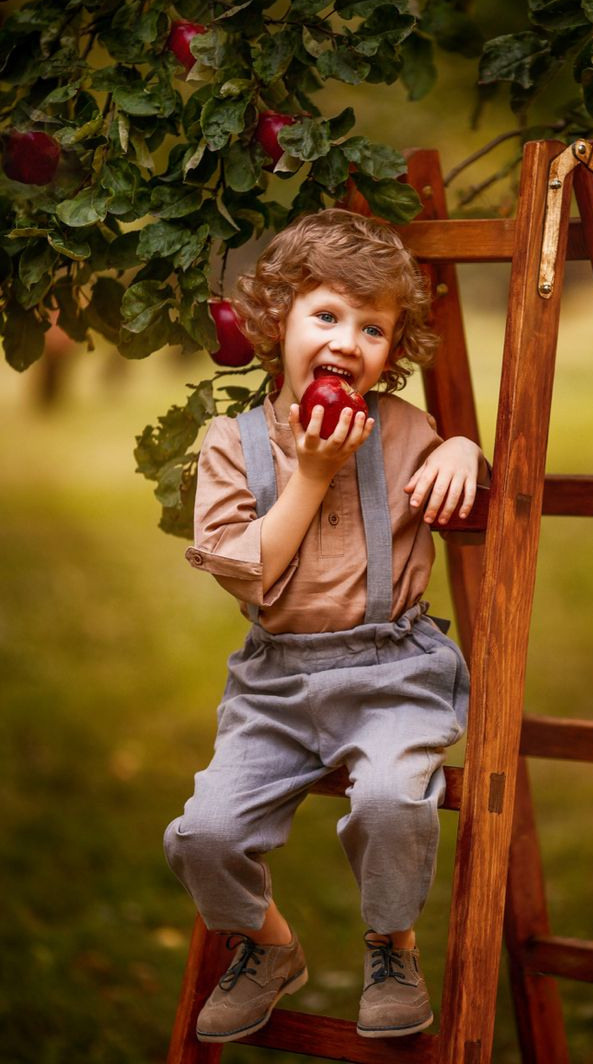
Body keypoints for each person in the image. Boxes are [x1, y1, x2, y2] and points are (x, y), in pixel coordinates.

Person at [164, 208, 489, 1044]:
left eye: (373, 327)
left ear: (393, 349)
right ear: (277, 323)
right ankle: (268, 946)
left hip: (393, 675)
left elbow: (467, 465)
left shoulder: (404, 429)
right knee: (203, 833)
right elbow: (254, 573)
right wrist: (309, 473)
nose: (348, 341)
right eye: (327, 315)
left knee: (389, 801)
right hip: (276, 683)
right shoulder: (231, 446)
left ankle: (392, 947)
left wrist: (460, 452)